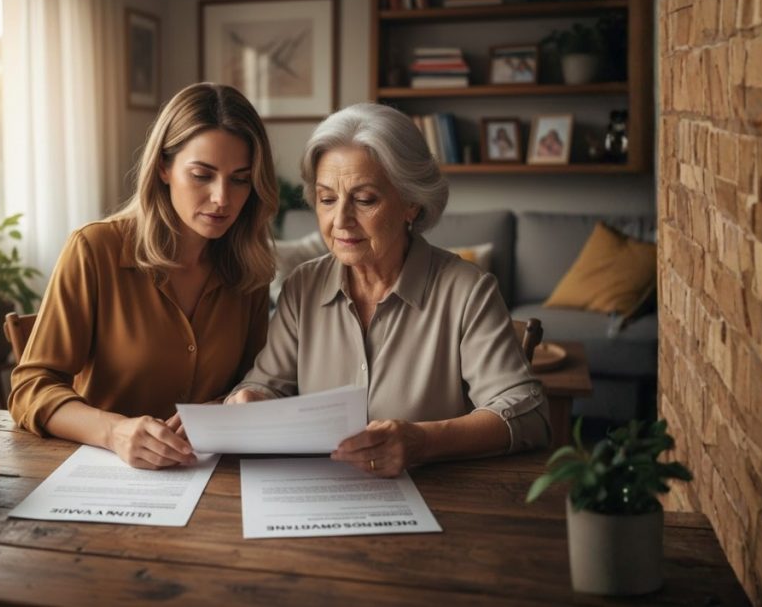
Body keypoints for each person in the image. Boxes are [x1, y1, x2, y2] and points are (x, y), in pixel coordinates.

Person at [227, 103, 550, 477]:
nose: (340, 221)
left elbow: (529, 412)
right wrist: (250, 398)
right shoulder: (302, 286)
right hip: (319, 498)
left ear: (411, 203)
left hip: (437, 502)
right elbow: (267, 385)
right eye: (327, 199)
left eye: (365, 200)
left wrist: (422, 441)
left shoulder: (467, 290)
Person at [9, 83, 278, 469]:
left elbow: (253, 382)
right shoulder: (95, 250)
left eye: (240, 179)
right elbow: (29, 388)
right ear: (164, 168)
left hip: (216, 478)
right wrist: (114, 431)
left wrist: (227, 408)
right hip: (106, 480)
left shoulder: (249, 267)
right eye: (202, 175)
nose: (223, 198)